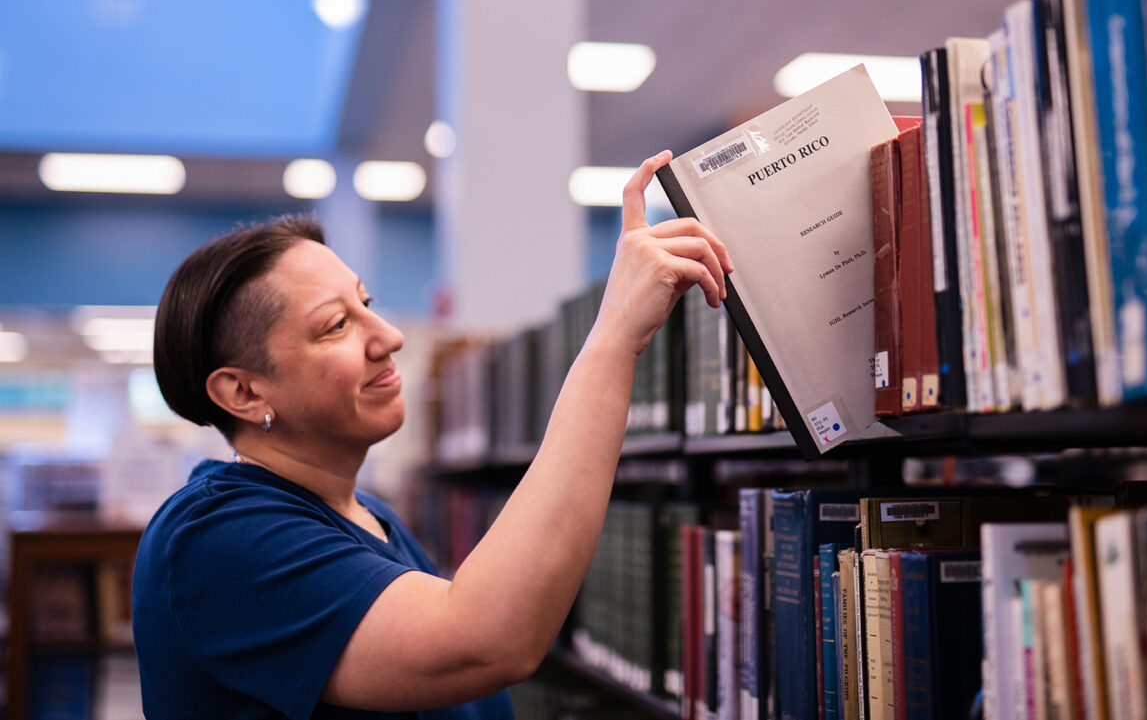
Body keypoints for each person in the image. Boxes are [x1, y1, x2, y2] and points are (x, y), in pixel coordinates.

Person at [131, 151, 733, 719]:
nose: (388, 336)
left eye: (366, 302)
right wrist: (614, 338)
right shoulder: (215, 538)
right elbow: (487, 640)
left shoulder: (370, 516)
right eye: (337, 325)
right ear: (244, 393)